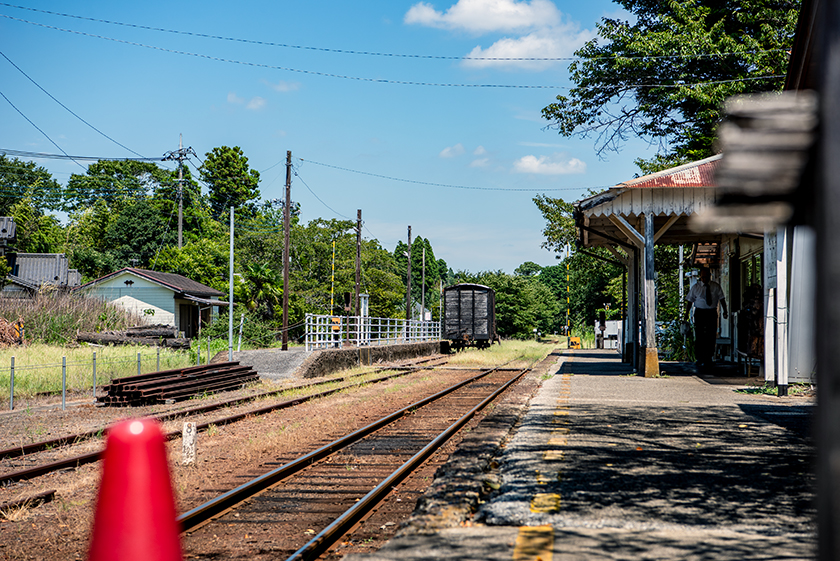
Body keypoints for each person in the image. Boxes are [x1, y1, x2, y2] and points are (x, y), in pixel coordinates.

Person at [685, 266, 728, 369]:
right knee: (700, 335)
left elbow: (722, 299)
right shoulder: (696, 287)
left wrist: (725, 311)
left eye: (706, 277)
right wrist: (686, 314)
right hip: (700, 312)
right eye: (702, 277)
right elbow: (690, 301)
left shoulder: (715, 286)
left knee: (711, 335)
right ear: (700, 277)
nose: (704, 279)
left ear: (710, 276)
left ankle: (709, 357)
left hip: (711, 313)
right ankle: (700, 358)